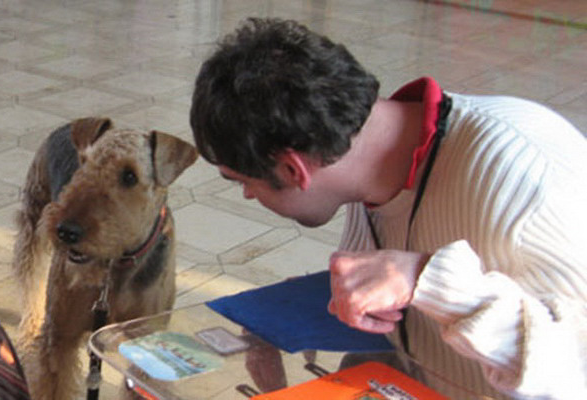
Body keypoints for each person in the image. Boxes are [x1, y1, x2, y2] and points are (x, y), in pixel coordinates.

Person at [190, 17, 587, 399]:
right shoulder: (372, 163)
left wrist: (430, 279)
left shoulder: (524, 177)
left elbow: (577, 369)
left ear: (294, 169)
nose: (248, 195)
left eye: (243, 181)